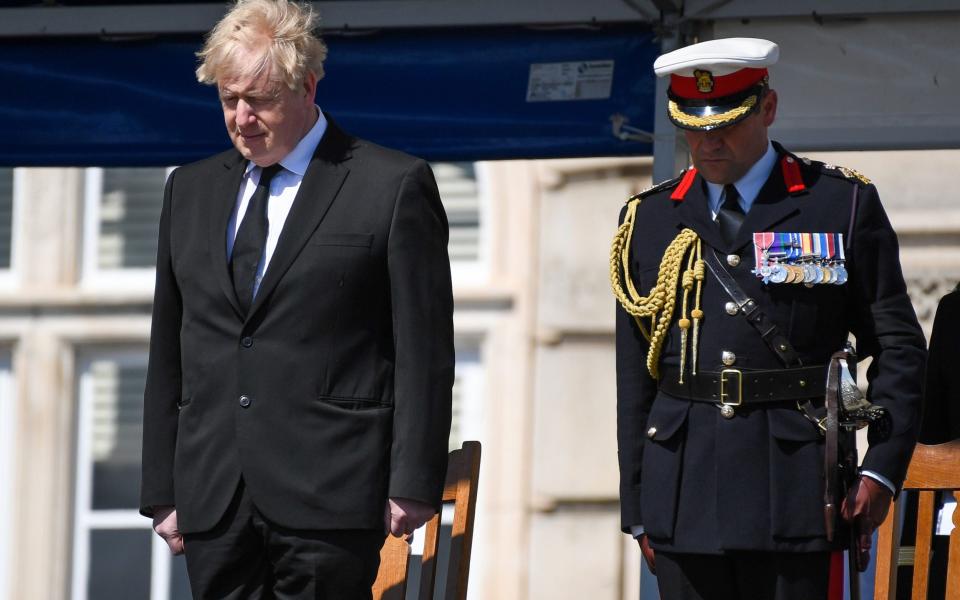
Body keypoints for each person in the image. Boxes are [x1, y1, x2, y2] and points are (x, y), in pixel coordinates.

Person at [138, 1, 454, 597]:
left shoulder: (391, 184)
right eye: (229, 99)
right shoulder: (190, 189)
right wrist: (161, 489)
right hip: (213, 497)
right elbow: (170, 346)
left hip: (330, 492)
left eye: (259, 100)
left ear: (308, 86)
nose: (241, 118)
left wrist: (412, 480)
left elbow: (425, 350)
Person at [611, 37, 926, 599]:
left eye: (726, 124)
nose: (708, 142)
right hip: (683, 492)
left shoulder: (839, 202)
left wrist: (881, 468)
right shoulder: (650, 218)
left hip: (798, 491)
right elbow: (636, 373)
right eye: (694, 127)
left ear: (768, 108)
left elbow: (898, 346)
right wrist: (638, 505)